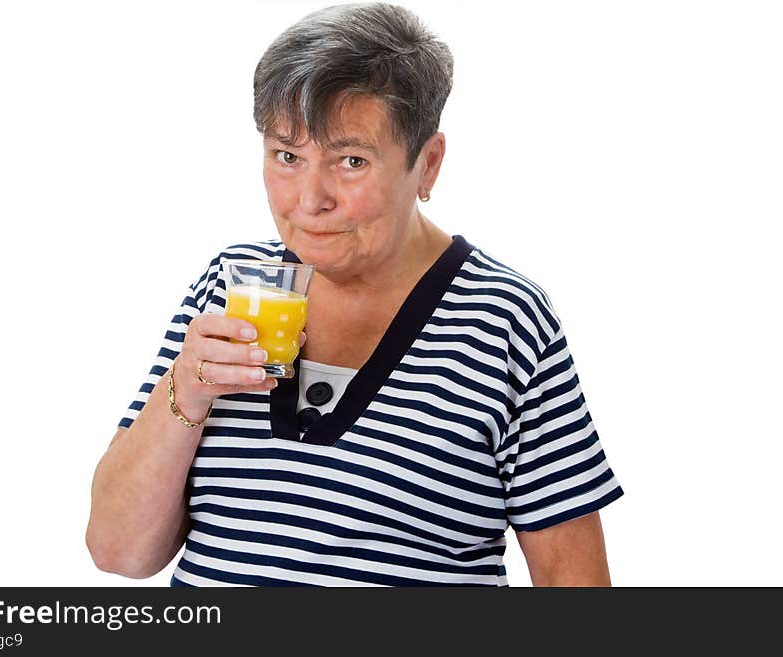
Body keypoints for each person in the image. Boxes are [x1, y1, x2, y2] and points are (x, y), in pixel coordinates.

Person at [86, 2, 623, 586]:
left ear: (428, 164)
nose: (309, 199)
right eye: (287, 156)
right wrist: (185, 391)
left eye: (350, 161)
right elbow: (118, 552)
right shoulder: (230, 285)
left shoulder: (503, 322)